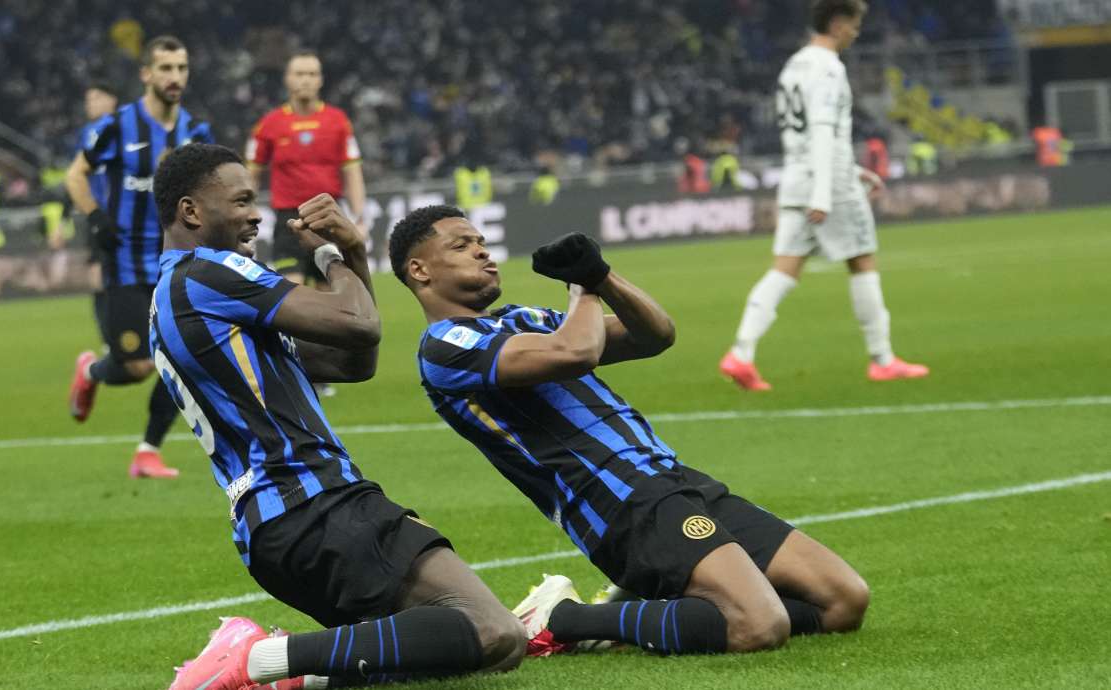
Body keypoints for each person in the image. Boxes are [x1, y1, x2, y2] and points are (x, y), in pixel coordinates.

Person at [388, 205, 869, 657]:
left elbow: (654, 334)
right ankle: (565, 619)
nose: (483, 251)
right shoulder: (444, 347)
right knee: (757, 625)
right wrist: (582, 288)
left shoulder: (522, 319)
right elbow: (575, 353)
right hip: (618, 502)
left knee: (843, 601)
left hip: (673, 479)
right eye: (461, 245)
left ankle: (644, 607)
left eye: (481, 240)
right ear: (420, 270)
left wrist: (601, 276)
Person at [150, 144, 523, 689]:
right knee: (494, 632)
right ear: (191, 212)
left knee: (421, 654)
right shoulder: (208, 273)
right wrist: (341, 250)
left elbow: (353, 361)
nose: (257, 214)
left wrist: (347, 261)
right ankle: (255, 659)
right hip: (315, 503)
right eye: (241, 201)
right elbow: (359, 323)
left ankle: (294, 678)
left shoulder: (176, 296)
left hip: (277, 529)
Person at [720, 0, 928, 391]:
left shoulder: (794, 66)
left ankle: (741, 353)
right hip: (825, 182)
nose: (856, 32)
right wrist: (825, 192)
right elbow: (821, 130)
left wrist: (851, 170)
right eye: (853, 24)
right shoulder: (829, 68)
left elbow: (798, 136)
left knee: (784, 268)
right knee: (862, 260)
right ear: (836, 22)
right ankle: (882, 359)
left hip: (797, 175)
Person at [64, 36, 214, 478]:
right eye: (166, 68)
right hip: (125, 262)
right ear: (146, 74)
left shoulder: (195, 131)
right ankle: (91, 372)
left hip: (175, 263)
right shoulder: (116, 125)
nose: (175, 77)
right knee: (135, 367)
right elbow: (77, 174)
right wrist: (95, 218)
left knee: (179, 358)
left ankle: (147, 450)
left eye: (182, 68)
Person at [246, 50, 366, 285]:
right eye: (299, 73)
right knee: (293, 292)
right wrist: (245, 215)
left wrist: (359, 218)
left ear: (320, 80)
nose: (305, 79)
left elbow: (352, 173)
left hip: (329, 216)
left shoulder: (338, 121)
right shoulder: (269, 124)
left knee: (329, 295)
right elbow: (252, 174)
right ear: (287, 79)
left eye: (312, 74)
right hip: (288, 221)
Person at [79, 83, 119, 344]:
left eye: (96, 97)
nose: (90, 103)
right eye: (88, 99)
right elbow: (78, 175)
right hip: (96, 214)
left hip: (121, 213)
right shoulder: (86, 132)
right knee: (97, 275)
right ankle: (109, 337)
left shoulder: (122, 128)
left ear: (112, 100)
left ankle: (117, 335)